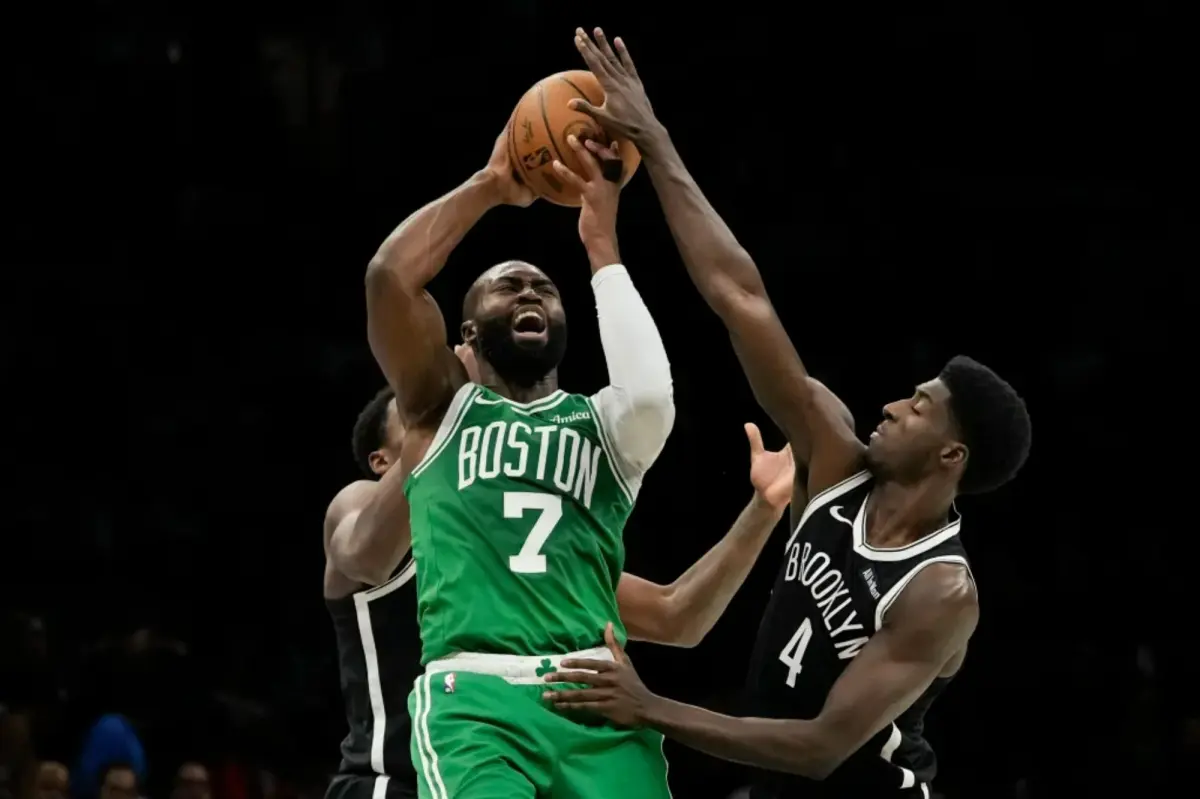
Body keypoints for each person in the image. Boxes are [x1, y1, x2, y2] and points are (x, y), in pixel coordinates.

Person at [542, 29, 1033, 799]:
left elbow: (821, 746)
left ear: (952, 455)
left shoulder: (941, 590)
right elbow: (740, 296)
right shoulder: (834, 457)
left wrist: (650, 706)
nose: (891, 406)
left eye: (919, 407)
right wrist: (655, 141)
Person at [362, 115, 676, 797]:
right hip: (478, 697)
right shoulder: (439, 407)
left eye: (544, 288)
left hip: (597, 691)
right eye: (508, 287)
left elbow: (652, 395)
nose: (530, 290)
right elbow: (389, 279)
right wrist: (491, 185)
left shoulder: (603, 425)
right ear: (468, 333)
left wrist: (602, 246)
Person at [323, 357, 797, 799]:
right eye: (419, 412)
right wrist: (442, 412)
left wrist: (764, 509)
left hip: (512, 768)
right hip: (390, 781)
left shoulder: (506, 545)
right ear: (381, 460)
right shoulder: (357, 501)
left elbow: (675, 616)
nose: (459, 415)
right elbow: (363, 558)